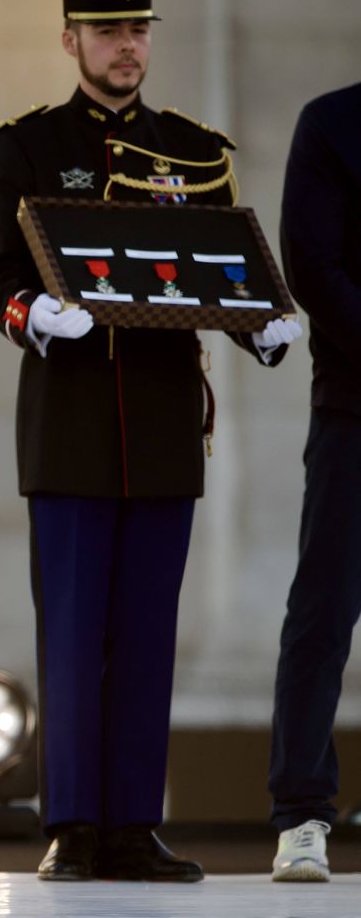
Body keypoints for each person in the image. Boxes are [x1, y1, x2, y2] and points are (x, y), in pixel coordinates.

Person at [0, 0, 301, 883]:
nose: (127, 47)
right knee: (75, 637)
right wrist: (32, 313)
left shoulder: (196, 152)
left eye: (140, 30)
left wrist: (259, 324)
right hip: (70, 422)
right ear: (71, 39)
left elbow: (213, 270)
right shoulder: (28, 147)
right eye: (109, 31)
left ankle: (132, 825)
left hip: (159, 426)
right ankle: (73, 825)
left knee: (150, 634)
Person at [267, 81, 361, 884]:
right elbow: (314, 268)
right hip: (357, 410)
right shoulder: (332, 123)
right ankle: (302, 815)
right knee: (324, 615)